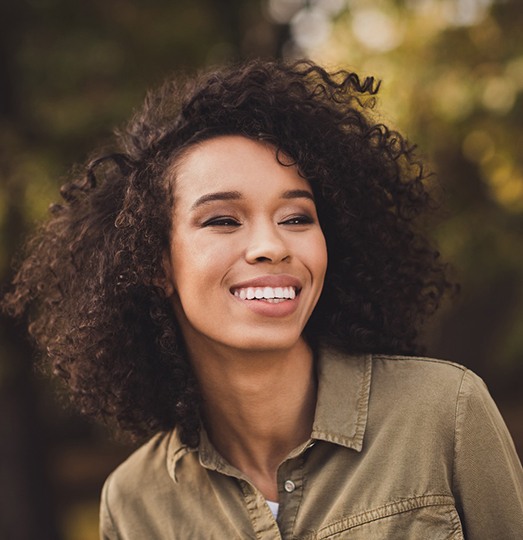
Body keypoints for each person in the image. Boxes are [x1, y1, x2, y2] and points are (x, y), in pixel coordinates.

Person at [3, 59, 522, 539]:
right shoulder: (134, 501)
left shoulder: (443, 413)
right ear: (157, 265)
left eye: (297, 217)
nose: (273, 246)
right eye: (223, 220)